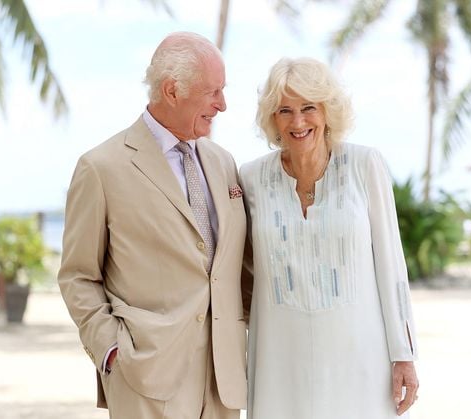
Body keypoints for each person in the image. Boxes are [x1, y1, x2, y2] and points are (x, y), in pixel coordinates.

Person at [58, 32, 249, 419]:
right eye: (213, 91)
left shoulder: (223, 162)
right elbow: (78, 276)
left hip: (223, 382)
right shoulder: (101, 168)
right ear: (172, 90)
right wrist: (111, 350)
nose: (222, 105)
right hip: (146, 379)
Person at [240, 57, 419, 419]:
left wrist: (404, 354)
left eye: (308, 107)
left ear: (327, 111)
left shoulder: (364, 165)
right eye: (285, 110)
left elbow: (391, 264)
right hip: (280, 362)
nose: (298, 121)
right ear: (272, 119)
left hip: (360, 358)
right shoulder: (250, 178)